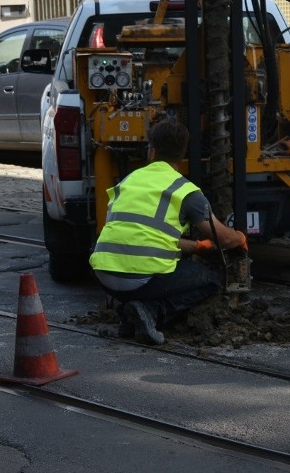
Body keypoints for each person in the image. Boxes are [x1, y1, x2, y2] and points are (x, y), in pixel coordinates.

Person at [89, 118, 248, 345]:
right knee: (211, 281)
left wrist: (195, 247)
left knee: (149, 276)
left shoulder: (128, 181)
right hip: (141, 280)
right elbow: (223, 237)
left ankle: (128, 313)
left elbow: (142, 233)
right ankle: (151, 311)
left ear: (152, 151)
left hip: (104, 275)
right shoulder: (185, 190)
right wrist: (239, 238)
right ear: (182, 155)